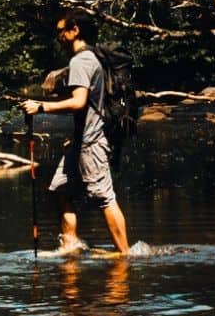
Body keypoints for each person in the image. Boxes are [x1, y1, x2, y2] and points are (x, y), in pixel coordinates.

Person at [22, 13, 132, 257]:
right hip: (81, 141)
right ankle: (69, 247)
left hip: (92, 143)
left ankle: (124, 253)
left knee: (104, 196)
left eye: (61, 31)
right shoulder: (89, 58)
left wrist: (41, 107)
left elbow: (79, 102)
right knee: (60, 189)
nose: (59, 37)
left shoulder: (81, 61)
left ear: (74, 30)